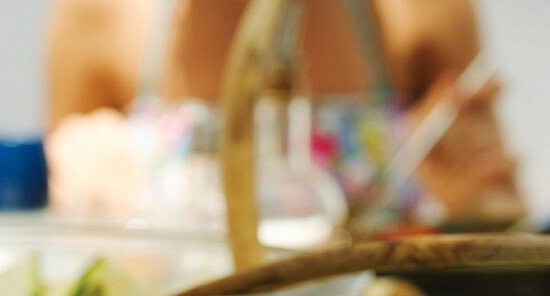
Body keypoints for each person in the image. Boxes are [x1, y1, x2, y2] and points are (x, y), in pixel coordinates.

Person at [45, 0, 526, 225]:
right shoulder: (99, 16)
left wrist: (480, 211)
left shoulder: (421, 12)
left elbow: (498, 217)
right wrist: (73, 191)